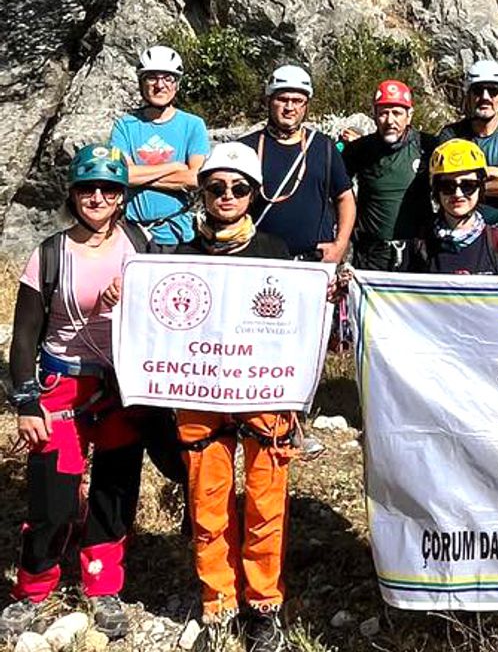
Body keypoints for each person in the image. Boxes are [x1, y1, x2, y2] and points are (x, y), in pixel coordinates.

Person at [1, 145, 156, 640]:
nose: (97, 198)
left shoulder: (140, 245)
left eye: (108, 189)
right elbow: (24, 336)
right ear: (72, 194)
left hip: (119, 385)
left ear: (121, 197)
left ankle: (103, 584)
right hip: (61, 386)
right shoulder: (50, 253)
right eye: (88, 188)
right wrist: (27, 402)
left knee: (114, 490)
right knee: (53, 497)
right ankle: (33, 589)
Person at [171, 142, 295, 651]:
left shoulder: (275, 251)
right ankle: (218, 602)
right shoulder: (179, 258)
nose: (227, 196)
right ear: (203, 193)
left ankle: (263, 605)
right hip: (201, 393)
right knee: (208, 503)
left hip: (262, 392)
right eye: (216, 187)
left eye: (238, 188)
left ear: (253, 194)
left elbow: (296, 321)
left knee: (265, 502)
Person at [241, 65, 355, 262]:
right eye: (282, 99)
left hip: (313, 261)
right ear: (269, 101)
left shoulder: (323, 147)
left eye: (297, 101)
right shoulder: (245, 148)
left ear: (306, 105)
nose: (289, 108)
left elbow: (345, 198)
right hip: (259, 259)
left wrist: (340, 245)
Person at [110, 45, 209, 249]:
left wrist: (139, 177)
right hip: (132, 234)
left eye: (168, 78)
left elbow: (195, 178)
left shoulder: (193, 125)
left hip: (178, 233)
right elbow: (121, 175)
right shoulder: (124, 126)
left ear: (177, 84)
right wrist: (174, 167)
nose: (160, 85)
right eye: (151, 78)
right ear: (141, 82)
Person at [340, 79, 434, 271]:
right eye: (383, 113)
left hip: (416, 253)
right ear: (374, 115)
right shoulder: (358, 150)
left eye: (397, 113)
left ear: (409, 116)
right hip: (371, 254)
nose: (390, 121)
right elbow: (337, 193)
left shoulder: (428, 146)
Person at [405, 138, 498, 283]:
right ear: (436, 190)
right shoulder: (419, 244)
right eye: (447, 186)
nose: (458, 194)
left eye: (468, 185)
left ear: (480, 188)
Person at [436, 60, 498, 231]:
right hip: (460, 232)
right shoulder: (451, 134)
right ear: (469, 95)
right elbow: (448, 183)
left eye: (493, 90)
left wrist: (470, 185)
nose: (485, 97)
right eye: (478, 90)